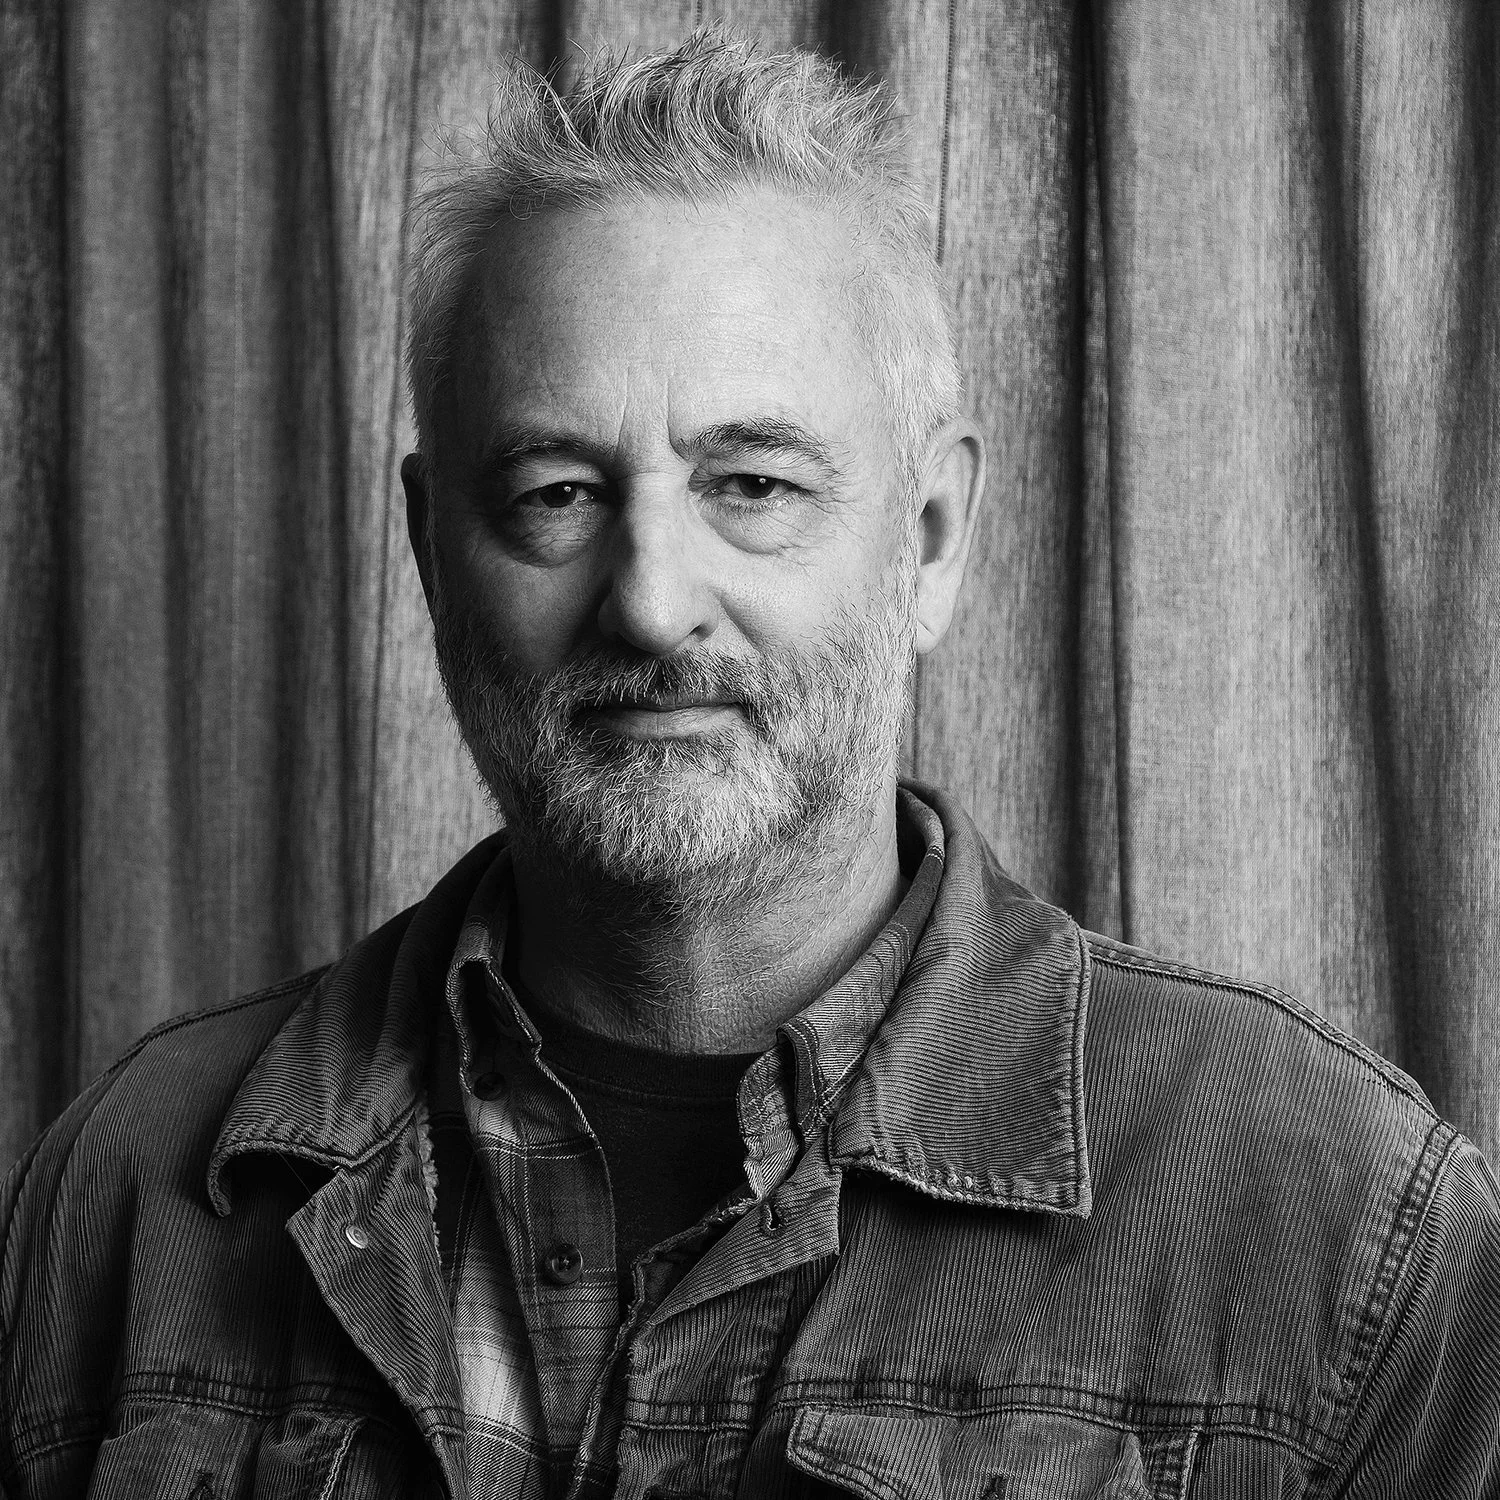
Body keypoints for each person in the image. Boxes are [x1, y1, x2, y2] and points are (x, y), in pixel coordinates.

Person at [3, 29, 1497, 1500]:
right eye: (556, 492)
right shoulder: (133, 1192)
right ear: (428, 548)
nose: (652, 598)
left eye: (753, 485)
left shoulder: (1334, 1223)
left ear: (930, 538)